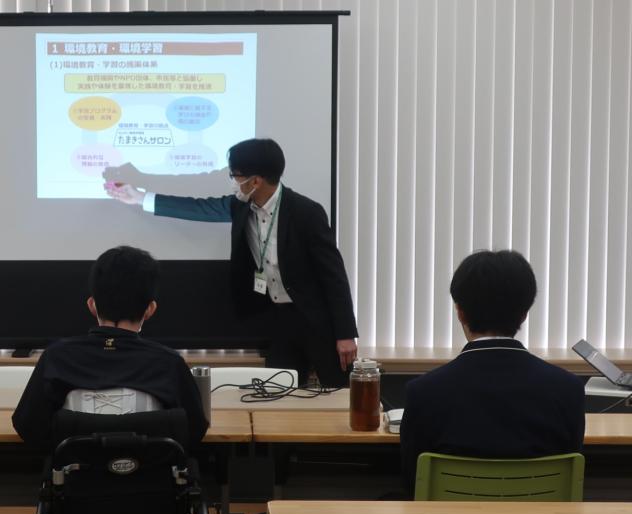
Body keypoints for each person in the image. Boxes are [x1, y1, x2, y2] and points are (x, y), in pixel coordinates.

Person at [103, 138, 358, 387]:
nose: (233, 182)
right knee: (278, 390)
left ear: (255, 181)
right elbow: (199, 208)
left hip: (317, 320)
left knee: (339, 391)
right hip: (279, 320)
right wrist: (139, 197)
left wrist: (346, 334)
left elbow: (333, 274)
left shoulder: (306, 212)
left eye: (235, 176)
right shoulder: (241, 206)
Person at [399, 250, 585, 492]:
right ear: (524, 313)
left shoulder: (423, 392)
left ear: (460, 311)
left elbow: (413, 483)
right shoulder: (568, 389)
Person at [12, 245, 210, 449]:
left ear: (92, 305)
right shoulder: (169, 363)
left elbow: (28, 426)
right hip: (151, 469)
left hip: (76, 469)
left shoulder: (56, 358)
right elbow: (194, 431)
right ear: (150, 309)